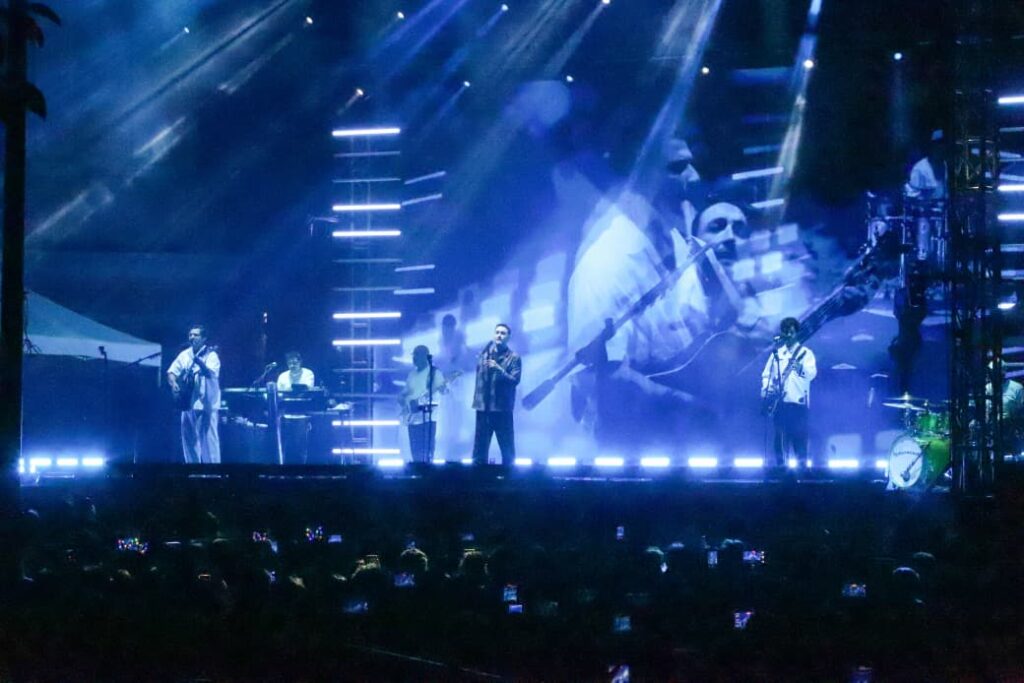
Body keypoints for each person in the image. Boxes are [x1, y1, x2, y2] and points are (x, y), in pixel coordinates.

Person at [761, 317, 817, 470]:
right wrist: (767, 390)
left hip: (798, 404)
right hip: (780, 404)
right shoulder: (776, 354)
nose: (789, 334)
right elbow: (766, 375)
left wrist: (798, 366)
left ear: (797, 333)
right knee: (779, 439)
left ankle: (802, 471)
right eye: (786, 331)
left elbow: (811, 374)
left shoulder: (806, 353)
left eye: (792, 331)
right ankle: (781, 469)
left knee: (799, 439)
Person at [167, 324, 222, 464]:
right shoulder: (184, 354)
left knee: (209, 444)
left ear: (204, 338)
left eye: (196, 335)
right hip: (188, 404)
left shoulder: (212, 355)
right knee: (189, 442)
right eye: (190, 334)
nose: (192, 337)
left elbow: (210, 374)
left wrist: (200, 363)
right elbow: (171, 371)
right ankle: (193, 471)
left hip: (207, 405)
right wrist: (173, 384)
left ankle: (213, 472)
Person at [471, 324, 522, 466]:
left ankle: (509, 476)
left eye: (503, 333)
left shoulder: (514, 358)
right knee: (479, 450)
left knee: (507, 449)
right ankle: (478, 475)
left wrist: (500, 370)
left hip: (502, 409)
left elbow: (515, 380)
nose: (499, 335)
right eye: (497, 332)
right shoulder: (484, 355)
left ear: (508, 337)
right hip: (483, 408)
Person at [398, 345, 448, 463]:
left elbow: (442, 392)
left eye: (417, 355)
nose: (414, 358)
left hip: (428, 419)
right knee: (415, 453)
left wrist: (443, 388)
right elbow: (406, 392)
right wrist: (402, 399)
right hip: (412, 419)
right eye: (413, 355)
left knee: (427, 453)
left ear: (425, 357)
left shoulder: (434, 373)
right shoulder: (412, 374)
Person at [905, 130, 947, 201]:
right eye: (937, 145)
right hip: (924, 207)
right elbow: (910, 195)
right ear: (931, 147)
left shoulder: (944, 164)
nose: (940, 148)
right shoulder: (919, 168)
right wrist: (926, 194)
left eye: (942, 145)